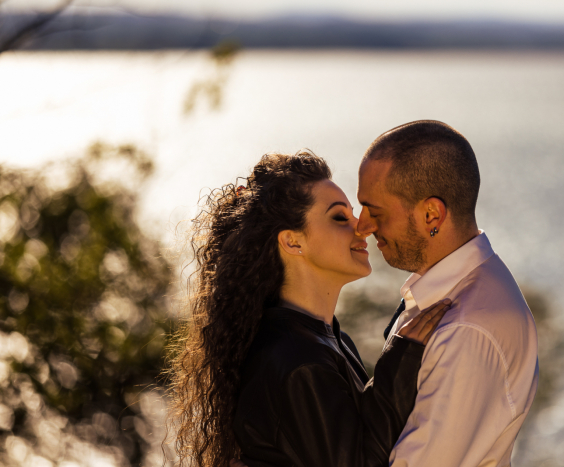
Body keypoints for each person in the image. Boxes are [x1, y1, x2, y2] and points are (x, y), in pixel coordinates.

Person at [168, 151, 450, 467]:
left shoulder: (321, 339)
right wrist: (402, 361)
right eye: (341, 218)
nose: (362, 227)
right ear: (293, 242)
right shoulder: (298, 360)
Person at [356, 120, 539, 467]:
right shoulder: (460, 294)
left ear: (431, 214)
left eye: (375, 211)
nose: (362, 226)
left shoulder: (465, 329)